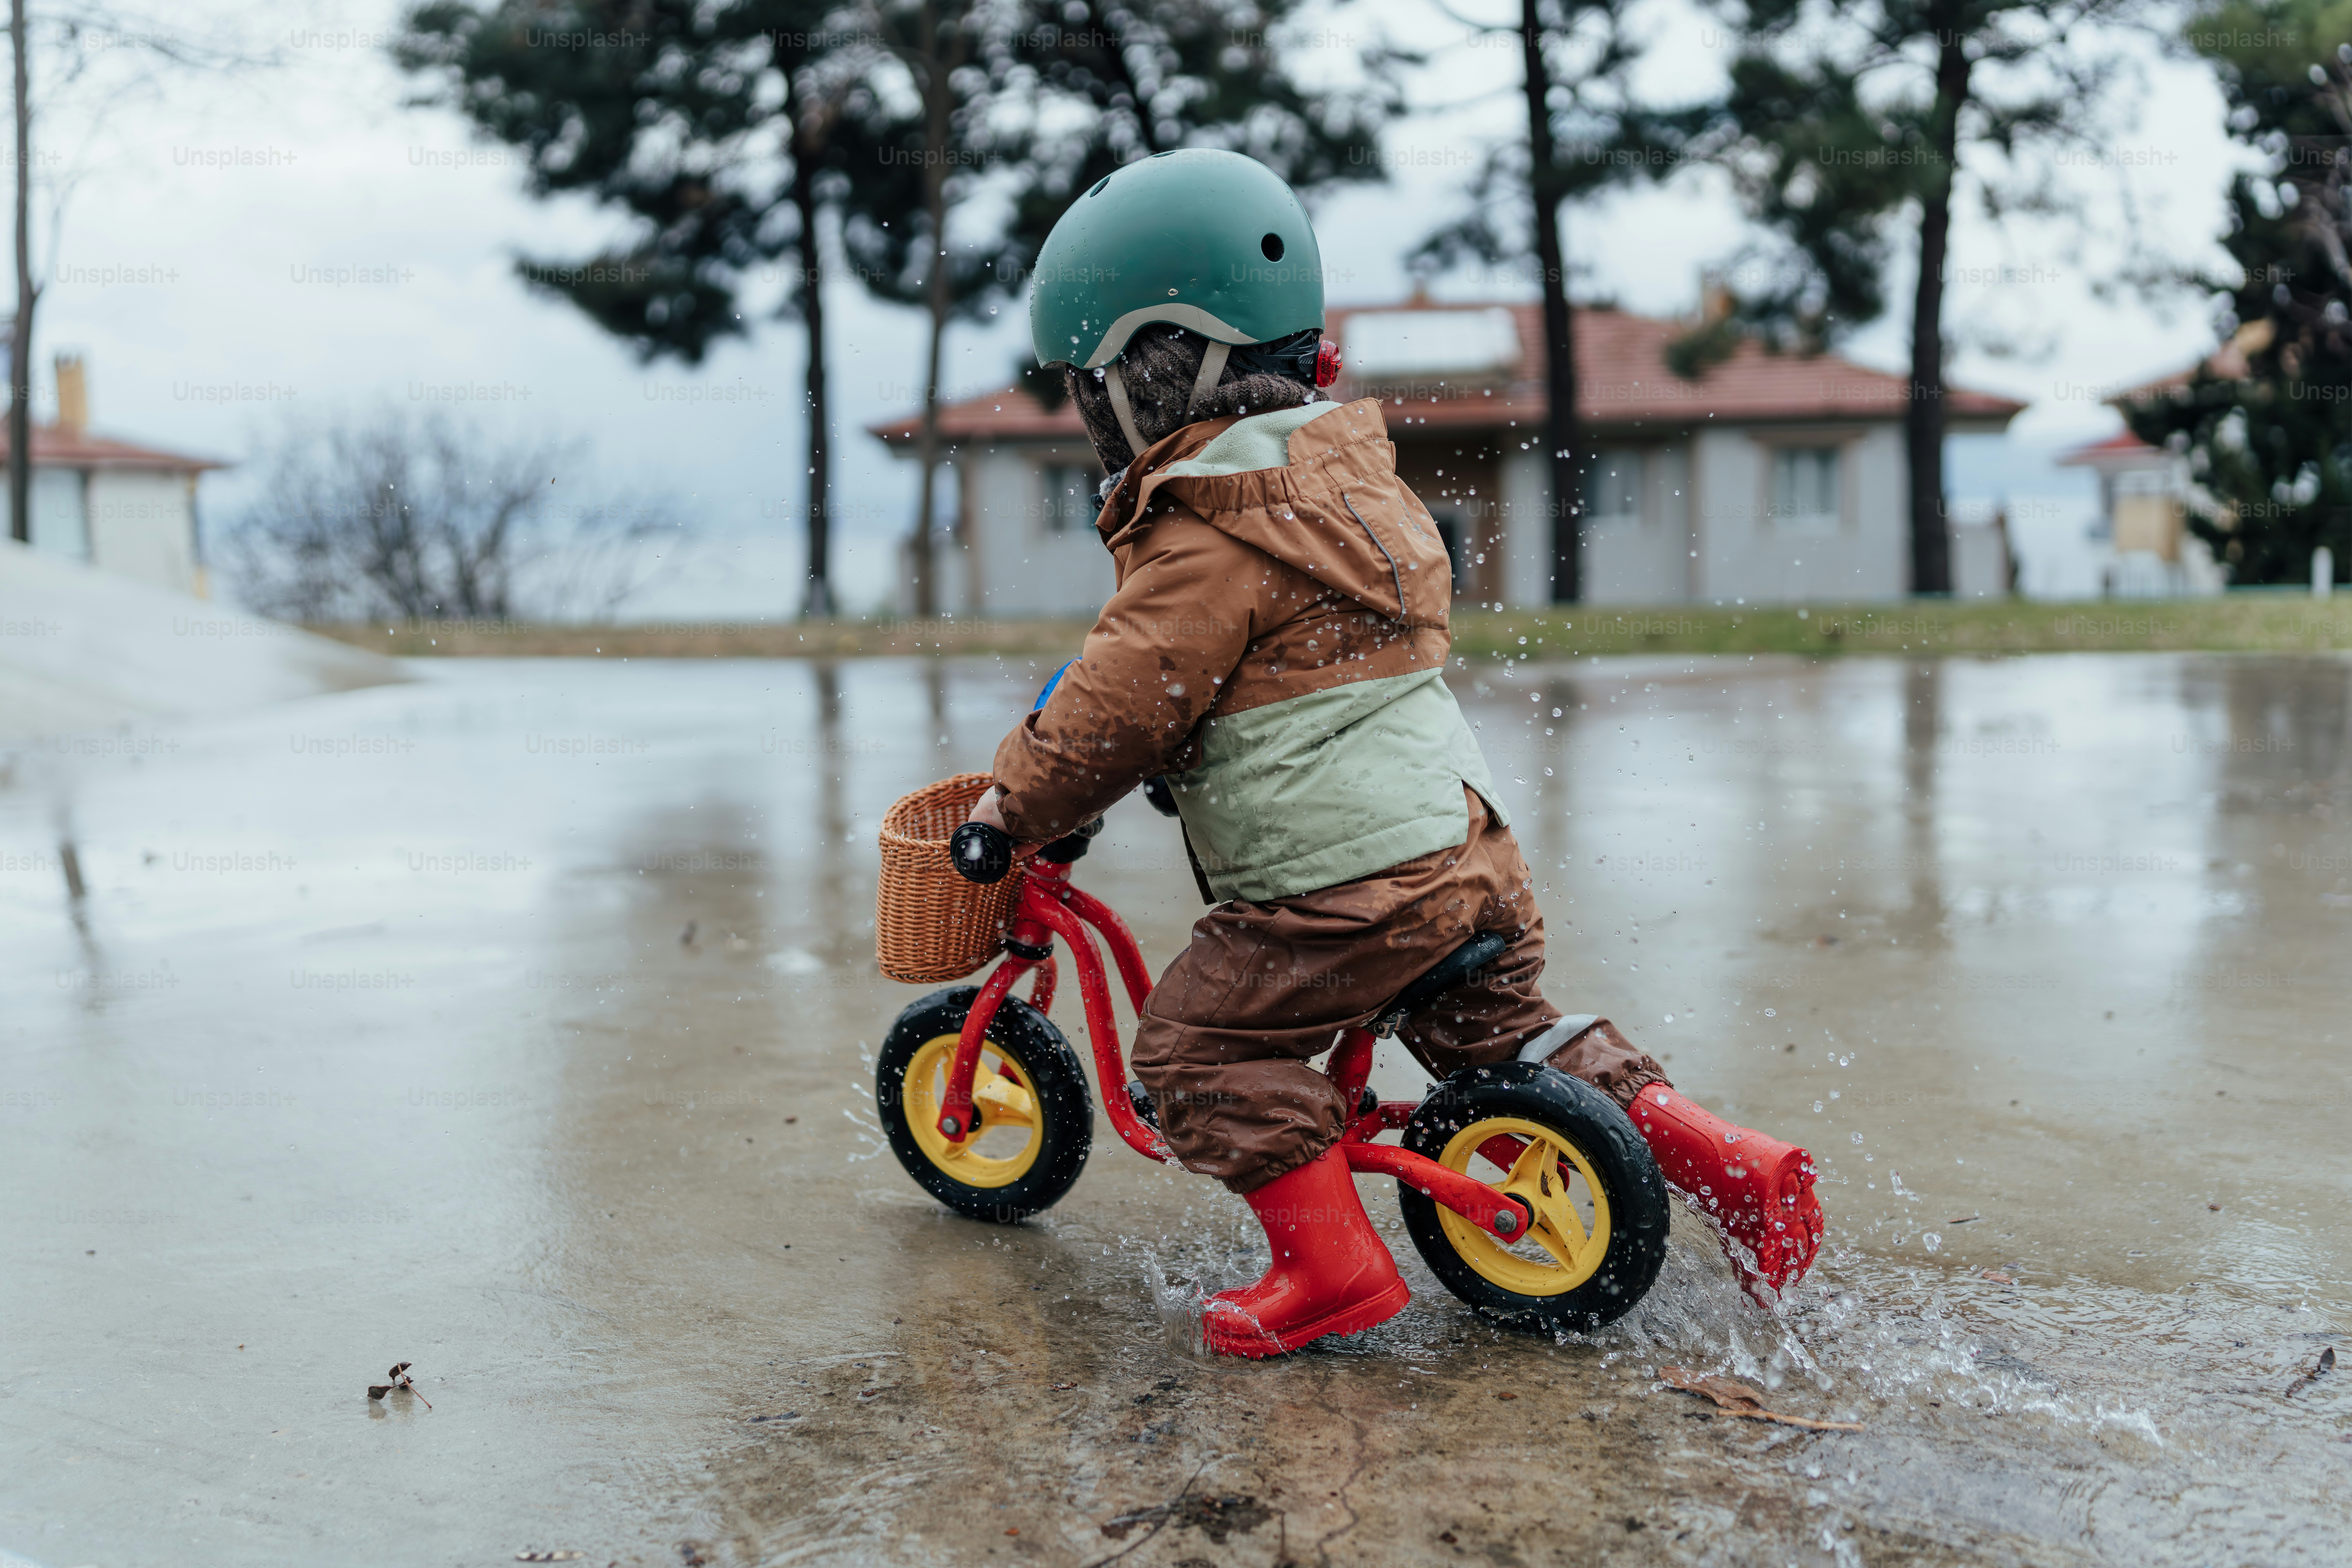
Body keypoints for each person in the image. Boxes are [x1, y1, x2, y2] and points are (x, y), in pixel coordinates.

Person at [969, 149, 1822, 1356]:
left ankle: (1327, 1267)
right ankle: (1727, 1166)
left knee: (1198, 1048)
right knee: (1498, 1032)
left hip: (1341, 896)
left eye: (1087, 389)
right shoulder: (1360, 493)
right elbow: (1295, 673)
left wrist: (1011, 805)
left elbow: (1114, 710)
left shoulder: (1201, 535)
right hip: (1459, 853)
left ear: (1151, 381)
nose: (1084, 418)